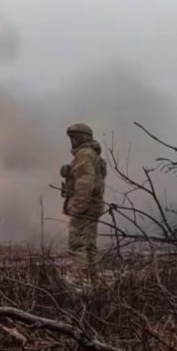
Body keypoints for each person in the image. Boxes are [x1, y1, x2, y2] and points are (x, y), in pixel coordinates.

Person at [60, 123, 107, 290]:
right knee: (90, 248)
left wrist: (77, 208)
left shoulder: (84, 154)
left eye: (74, 137)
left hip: (84, 209)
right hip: (93, 208)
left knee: (77, 246)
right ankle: (95, 286)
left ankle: (79, 288)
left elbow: (84, 184)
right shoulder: (92, 154)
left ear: (80, 138)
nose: (72, 141)